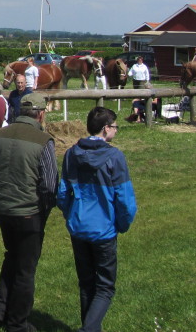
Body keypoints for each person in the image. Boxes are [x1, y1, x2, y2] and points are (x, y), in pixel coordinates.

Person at [0, 91, 57, 332]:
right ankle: (17, 323)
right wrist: (43, 211)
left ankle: (0, 309)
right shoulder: (43, 140)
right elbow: (50, 184)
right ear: (40, 114)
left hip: (3, 209)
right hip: (29, 212)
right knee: (25, 268)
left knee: (12, 256)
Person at [57, 106, 137, 332]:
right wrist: (122, 224)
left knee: (86, 284)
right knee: (105, 287)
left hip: (79, 226)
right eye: (115, 127)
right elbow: (125, 200)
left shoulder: (72, 154)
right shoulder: (115, 157)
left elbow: (63, 193)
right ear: (106, 128)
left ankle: (91, 327)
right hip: (103, 229)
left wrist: (71, 215)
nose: (116, 131)